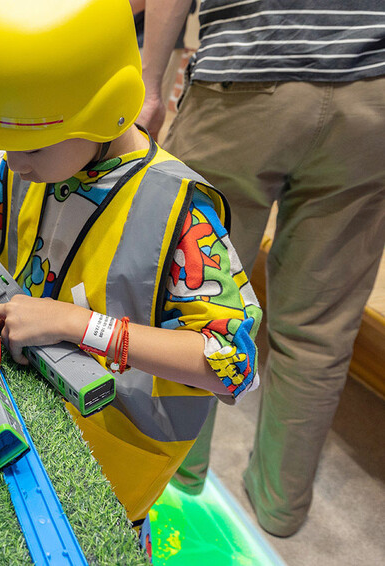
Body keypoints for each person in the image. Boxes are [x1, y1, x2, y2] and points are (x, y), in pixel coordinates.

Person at [0, 0, 262, 549]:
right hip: (30, 420)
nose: (14, 162)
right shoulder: (42, 152)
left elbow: (230, 365)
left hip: (111, 466)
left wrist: (78, 324)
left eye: (32, 148)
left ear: (107, 110)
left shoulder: (180, 209)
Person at [139, 0, 385, 537]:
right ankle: (280, 507)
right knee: (320, 328)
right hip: (374, 87)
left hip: (248, 74)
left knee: (191, 300)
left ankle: (179, 471)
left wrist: (150, 85)